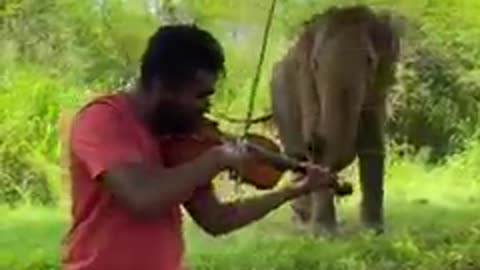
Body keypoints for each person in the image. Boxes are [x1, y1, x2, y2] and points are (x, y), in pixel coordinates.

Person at [60, 24, 335, 270]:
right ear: (162, 85)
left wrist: (290, 192)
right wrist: (214, 160)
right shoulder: (102, 119)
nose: (207, 107)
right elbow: (141, 195)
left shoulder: (179, 138)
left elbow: (216, 220)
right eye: (200, 95)